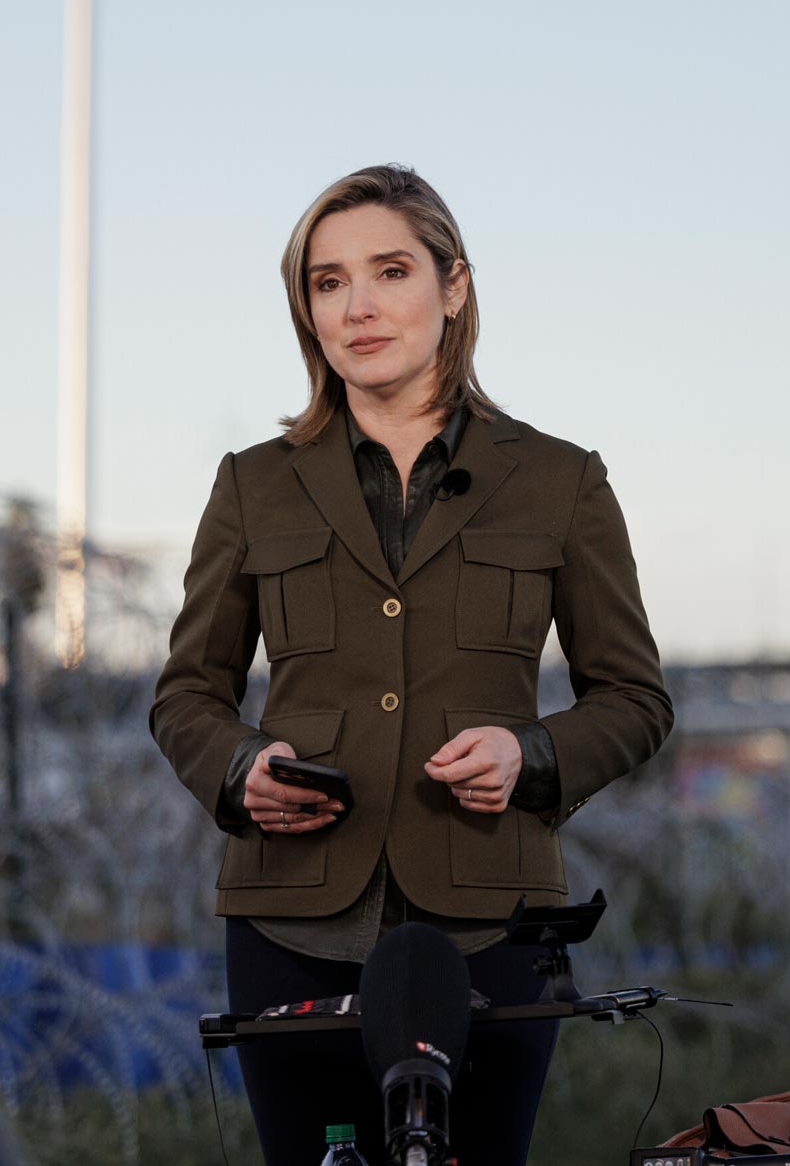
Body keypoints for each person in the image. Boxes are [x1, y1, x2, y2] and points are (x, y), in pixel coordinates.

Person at [149, 164, 673, 1166]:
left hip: (494, 923)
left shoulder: (560, 480)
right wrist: (238, 768)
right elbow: (187, 694)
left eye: (389, 270)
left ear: (453, 285)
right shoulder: (253, 485)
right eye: (326, 281)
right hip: (290, 921)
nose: (357, 306)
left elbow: (634, 698)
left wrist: (532, 752)